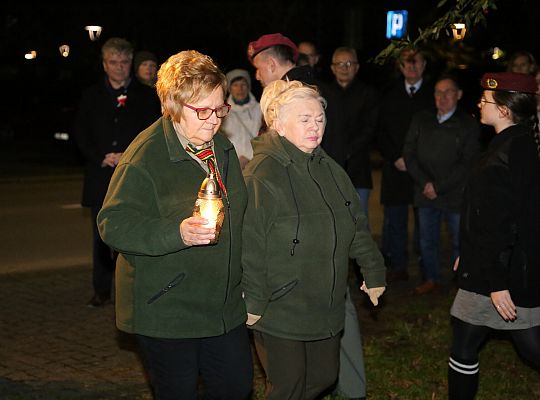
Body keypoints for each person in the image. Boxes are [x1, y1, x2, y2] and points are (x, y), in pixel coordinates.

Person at [97, 50, 253, 399]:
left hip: (223, 307)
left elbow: (241, 217)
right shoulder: (145, 155)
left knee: (236, 387)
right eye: (203, 110)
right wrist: (176, 232)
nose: (214, 120)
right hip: (168, 308)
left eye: (220, 108)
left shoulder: (221, 148)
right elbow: (113, 223)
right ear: (172, 103)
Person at [247, 33, 375, 400]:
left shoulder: (313, 96)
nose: (314, 125)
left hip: (323, 266)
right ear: (279, 121)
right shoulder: (264, 170)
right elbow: (254, 240)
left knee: (323, 372)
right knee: (289, 381)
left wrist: (371, 267)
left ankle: (353, 388)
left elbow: (354, 219)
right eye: (306, 119)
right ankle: (353, 389)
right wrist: (255, 298)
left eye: (318, 119)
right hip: (284, 290)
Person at [448, 72, 540, 399]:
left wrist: (498, 281)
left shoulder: (511, 150)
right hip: (489, 264)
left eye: (485, 101)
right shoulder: (512, 143)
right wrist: (470, 251)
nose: (479, 104)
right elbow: (486, 215)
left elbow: (506, 221)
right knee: (464, 341)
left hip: (501, 272)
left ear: (503, 110)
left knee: (530, 344)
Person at [73, 37, 161, 307]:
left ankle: (134, 287)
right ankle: (101, 290)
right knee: (101, 237)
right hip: (101, 175)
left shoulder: (147, 96)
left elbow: (154, 133)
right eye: (113, 62)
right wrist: (101, 156)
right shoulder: (91, 96)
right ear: (104, 64)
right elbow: (81, 133)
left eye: (124, 62)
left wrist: (129, 155)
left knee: (135, 232)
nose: (119, 68)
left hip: (135, 175)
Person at [403, 75, 481, 294]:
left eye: (448, 92)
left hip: (455, 194)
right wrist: (425, 183)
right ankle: (430, 278)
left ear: (459, 95)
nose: (442, 97)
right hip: (424, 192)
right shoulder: (421, 119)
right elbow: (408, 152)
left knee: (460, 241)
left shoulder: (468, 124)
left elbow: (468, 162)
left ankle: (462, 282)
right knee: (427, 239)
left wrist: (439, 186)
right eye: (438, 92)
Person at [377, 46, 435, 283]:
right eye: (406, 62)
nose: (411, 66)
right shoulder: (389, 93)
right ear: (400, 67)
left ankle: (426, 270)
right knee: (396, 221)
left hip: (424, 168)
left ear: (424, 65)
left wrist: (418, 161)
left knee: (425, 223)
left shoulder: (434, 94)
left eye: (416, 61)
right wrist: (395, 157)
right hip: (396, 167)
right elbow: (380, 130)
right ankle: (397, 267)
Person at [324, 46, 380, 221]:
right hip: (329, 167)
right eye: (339, 64)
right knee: (333, 222)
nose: (344, 68)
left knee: (359, 222)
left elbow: (370, 129)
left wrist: (347, 150)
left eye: (349, 63)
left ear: (357, 67)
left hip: (358, 168)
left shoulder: (368, 93)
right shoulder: (323, 93)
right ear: (332, 68)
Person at [219, 68, 262, 169]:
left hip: (257, 164)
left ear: (249, 87)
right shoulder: (223, 112)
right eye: (235, 85)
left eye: (243, 84)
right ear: (229, 88)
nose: (240, 89)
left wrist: (248, 157)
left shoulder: (261, 109)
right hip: (232, 165)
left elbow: (265, 137)